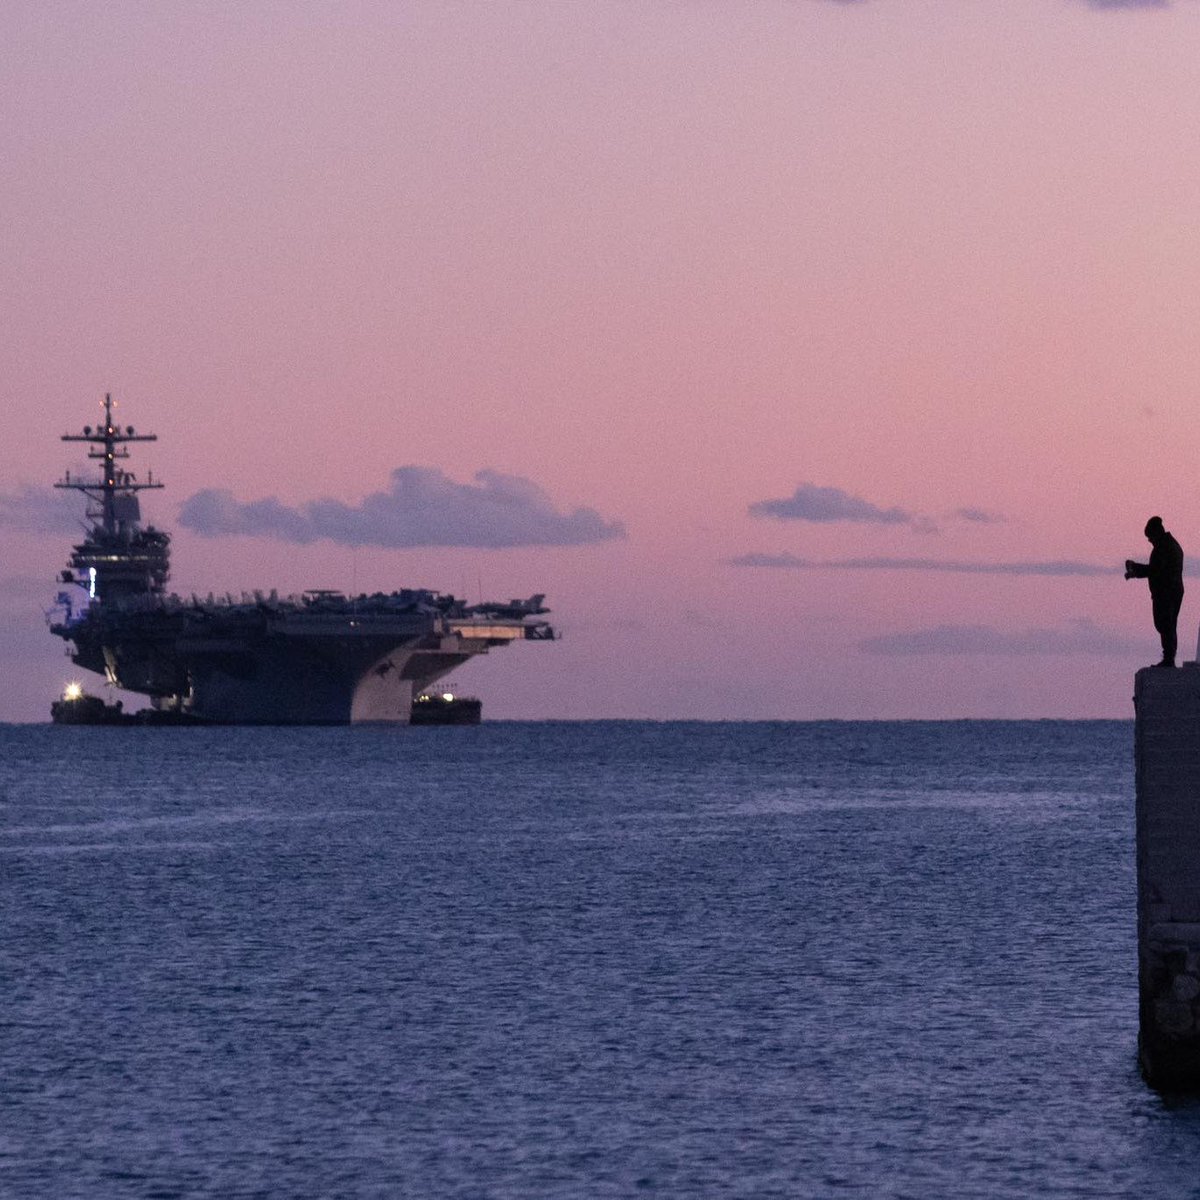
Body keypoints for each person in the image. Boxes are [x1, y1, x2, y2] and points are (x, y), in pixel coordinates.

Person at [1125, 516, 1185, 668]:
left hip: (1167, 593)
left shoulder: (1165, 548)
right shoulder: (1169, 546)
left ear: (1156, 534)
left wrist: (1135, 568)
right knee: (1168, 625)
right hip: (1171, 591)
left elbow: (1156, 570)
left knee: (1166, 624)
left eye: (1150, 538)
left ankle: (1169, 658)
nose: (1150, 541)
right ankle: (1169, 657)